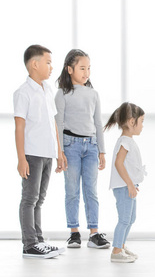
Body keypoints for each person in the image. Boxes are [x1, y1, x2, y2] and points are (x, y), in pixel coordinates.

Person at [14, 44, 66, 258]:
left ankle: (39, 241)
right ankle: (29, 244)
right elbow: (19, 126)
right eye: (48, 62)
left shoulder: (47, 90)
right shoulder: (23, 93)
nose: (52, 67)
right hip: (32, 154)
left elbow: (54, 124)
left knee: (39, 199)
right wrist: (21, 158)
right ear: (34, 64)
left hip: (47, 153)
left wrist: (59, 153)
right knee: (29, 198)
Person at [55, 49, 110, 249]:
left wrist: (102, 150)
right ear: (70, 69)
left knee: (91, 190)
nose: (86, 72)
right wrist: (59, 152)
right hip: (70, 146)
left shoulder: (93, 94)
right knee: (71, 191)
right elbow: (58, 124)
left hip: (91, 147)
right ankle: (74, 232)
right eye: (82, 68)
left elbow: (98, 123)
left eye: (88, 68)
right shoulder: (62, 94)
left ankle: (94, 234)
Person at [104, 102, 146, 263]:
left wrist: (133, 183)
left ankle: (120, 245)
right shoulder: (125, 141)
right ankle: (116, 251)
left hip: (127, 186)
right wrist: (129, 184)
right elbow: (118, 163)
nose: (142, 126)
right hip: (123, 187)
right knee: (124, 219)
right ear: (131, 121)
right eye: (141, 121)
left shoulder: (127, 140)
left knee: (131, 218)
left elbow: (127, 165)